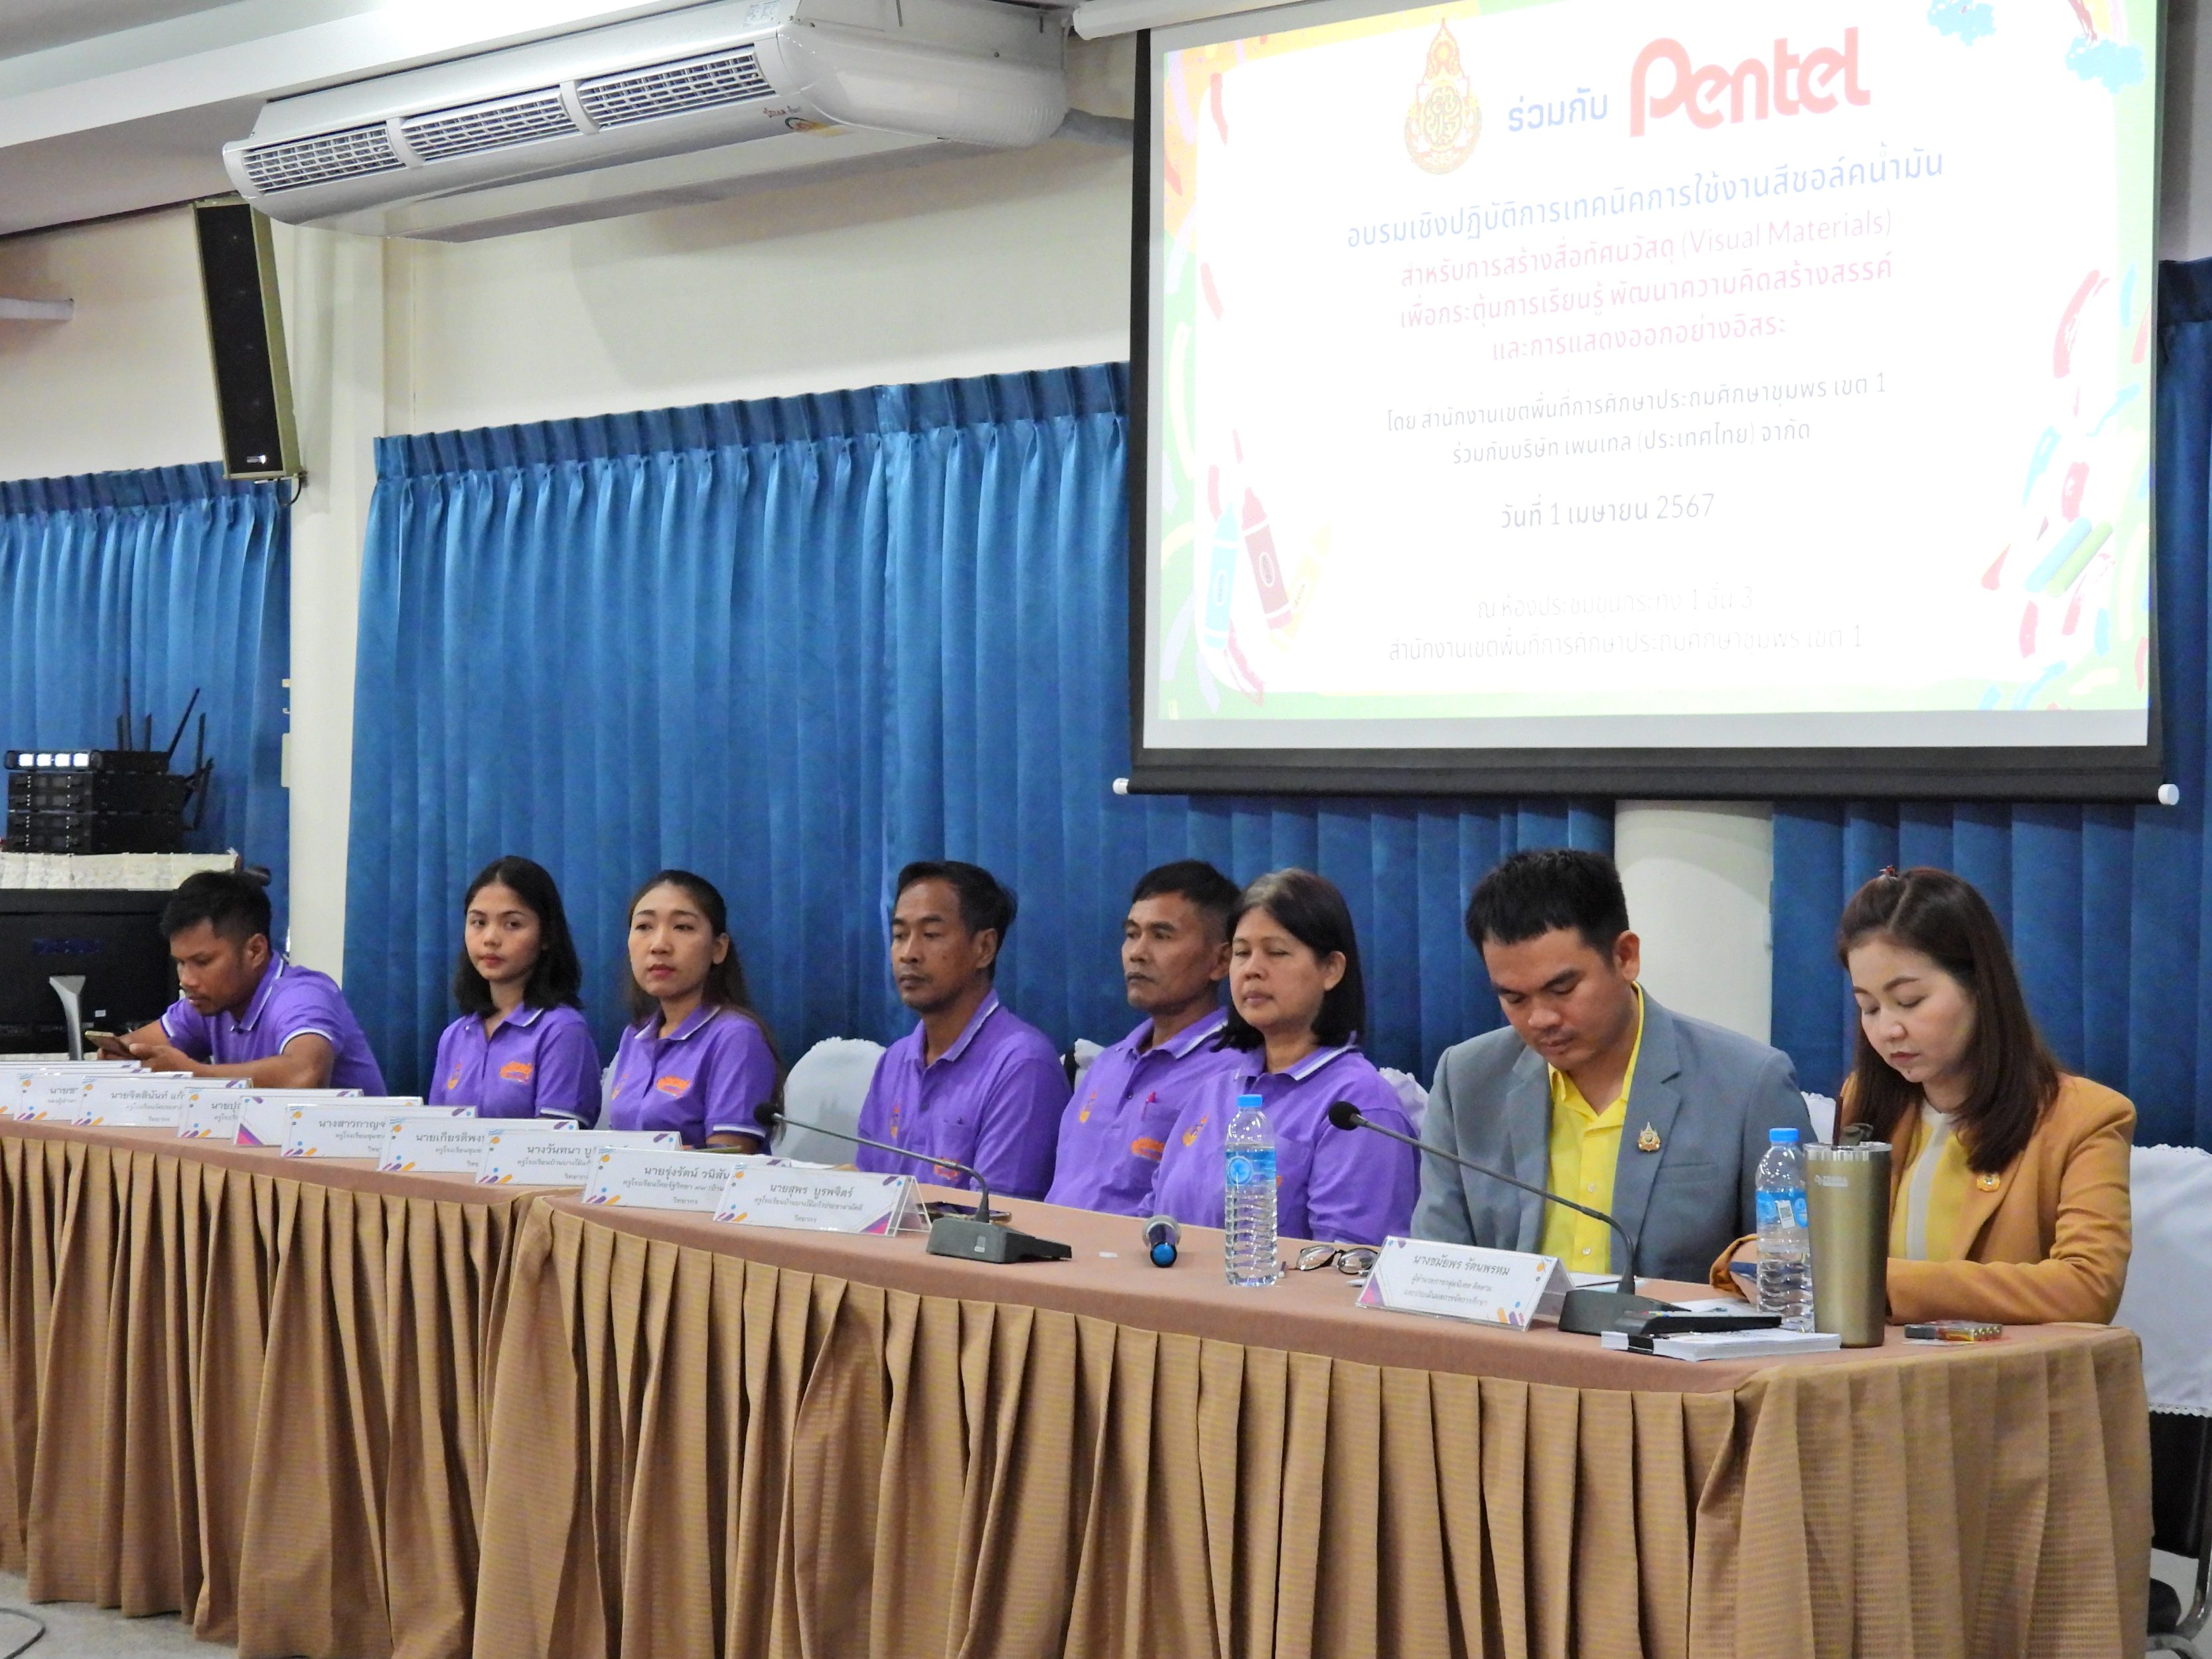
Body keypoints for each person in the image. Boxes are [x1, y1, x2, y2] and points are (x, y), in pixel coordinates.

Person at [1712, 866, 2132, 1324]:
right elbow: (1825, 1251)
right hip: (1875, 1362)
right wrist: (1761, 1257)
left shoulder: (2085, 1116)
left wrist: (1871, 1281)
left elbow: (2088, 1288)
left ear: (1980, 986)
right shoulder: (1867, 1100)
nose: (1888, 1030)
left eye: (1909, 1001)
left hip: (1995, 1366)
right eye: (1869, 1007)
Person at [1413, 849, 1812, 1283]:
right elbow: (1436, 1268)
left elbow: (1797, 1272)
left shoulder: (1747, 1085)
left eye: (1562, 989)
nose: (1540, 1019)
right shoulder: (1467, 1079)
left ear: (1625, 957)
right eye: (1514, 998)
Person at [1147, 868, 1417, 1245]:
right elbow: (1154, 1221)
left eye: (1276, 953)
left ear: (1331, 969)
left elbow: (1348, 1262)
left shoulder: (1358, 1104)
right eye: (1242, 953)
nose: (1252, 970)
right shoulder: (1213, 1092)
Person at [853, 860, 1068, 1200]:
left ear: (984, 948)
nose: (909, 954)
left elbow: (998, 1216)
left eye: (931, 935)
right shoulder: (894, 1061)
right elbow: (866, 1192)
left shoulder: (1023, 1066)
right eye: (899, 936)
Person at [1046, 859, 1242, 1215]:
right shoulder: (1108, 1064)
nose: (1137, 953)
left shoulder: (1234, 1076)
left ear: (1221, 961)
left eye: (1162, 936)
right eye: (1132, 934)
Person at [605, 871, 779, 1149]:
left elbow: (729, 1161)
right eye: (644, 926)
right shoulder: (635, 1036)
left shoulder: (737, 1037)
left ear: (718, 949)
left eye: (683, 927)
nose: (659, 945)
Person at [427, 856, 599, 1121]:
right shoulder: (455, 1036)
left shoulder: (562, 1030)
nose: (490, 939)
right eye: (478, 922)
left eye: (512, 924)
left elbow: (555, 1141)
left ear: (546, 935)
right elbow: (435, 1134)